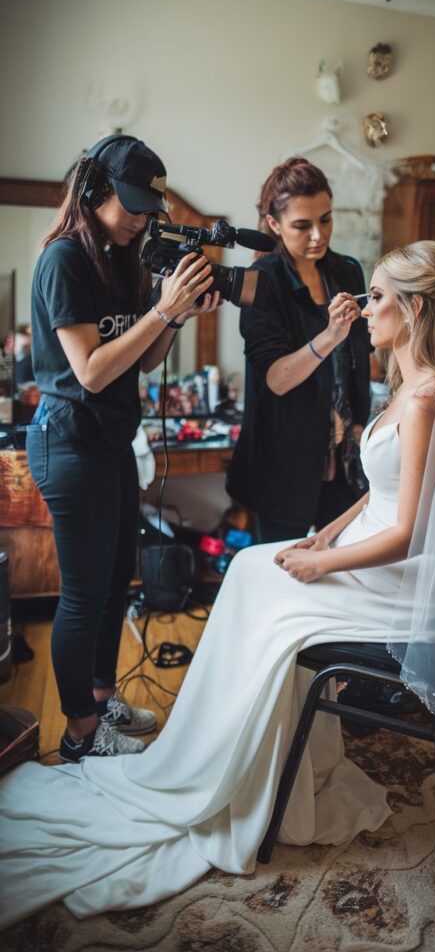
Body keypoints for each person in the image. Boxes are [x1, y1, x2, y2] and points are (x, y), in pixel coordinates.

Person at [0, 241, 435, 929]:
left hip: (406, 582)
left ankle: (226, 770)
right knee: (253, 565)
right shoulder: (409, 387)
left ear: (414, 307)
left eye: (375, 299)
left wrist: (320, 566)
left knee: (255, 574)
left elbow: (408, 534)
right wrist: (324, 536)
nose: (363, 310)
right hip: (379, 555)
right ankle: (227, 753)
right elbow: (380, 501)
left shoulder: (428, 399)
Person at [24, 134, 219, 764]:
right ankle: (78, 732)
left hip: (111, 443)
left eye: (146, 207)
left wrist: (178, 314)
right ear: (93, 191)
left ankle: (101, 699)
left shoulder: (122, 256)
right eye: (129, 203)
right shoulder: (64, 261)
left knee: (115, 585)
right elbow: (91, 371)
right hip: (69, 446)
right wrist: (160, 312)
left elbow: (144, 357)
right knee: (81, 593)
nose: (139, 217)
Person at [226, 157, 372, 542]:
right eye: (302, 225)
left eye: (325, 219)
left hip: (344, 459)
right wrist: (329, 335)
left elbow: (360, 357)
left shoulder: (347, 271)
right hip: (282, 463)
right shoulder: (260, 281)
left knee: (340, 569)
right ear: (274, 225)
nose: (317, 235)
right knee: (279, 572)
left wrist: (359, 421)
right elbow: (276, 379)